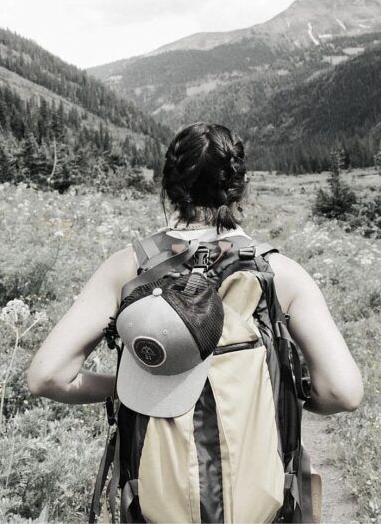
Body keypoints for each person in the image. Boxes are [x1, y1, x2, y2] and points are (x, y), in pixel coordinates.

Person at [26, 122, 362, 418]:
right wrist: (281, 398)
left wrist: (128, 388)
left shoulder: (129, 267)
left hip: (153, 485)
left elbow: (47, 377)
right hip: (259, 485)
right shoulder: (280, 272)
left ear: (169, 187)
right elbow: (342, 392)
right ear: (241, 186)